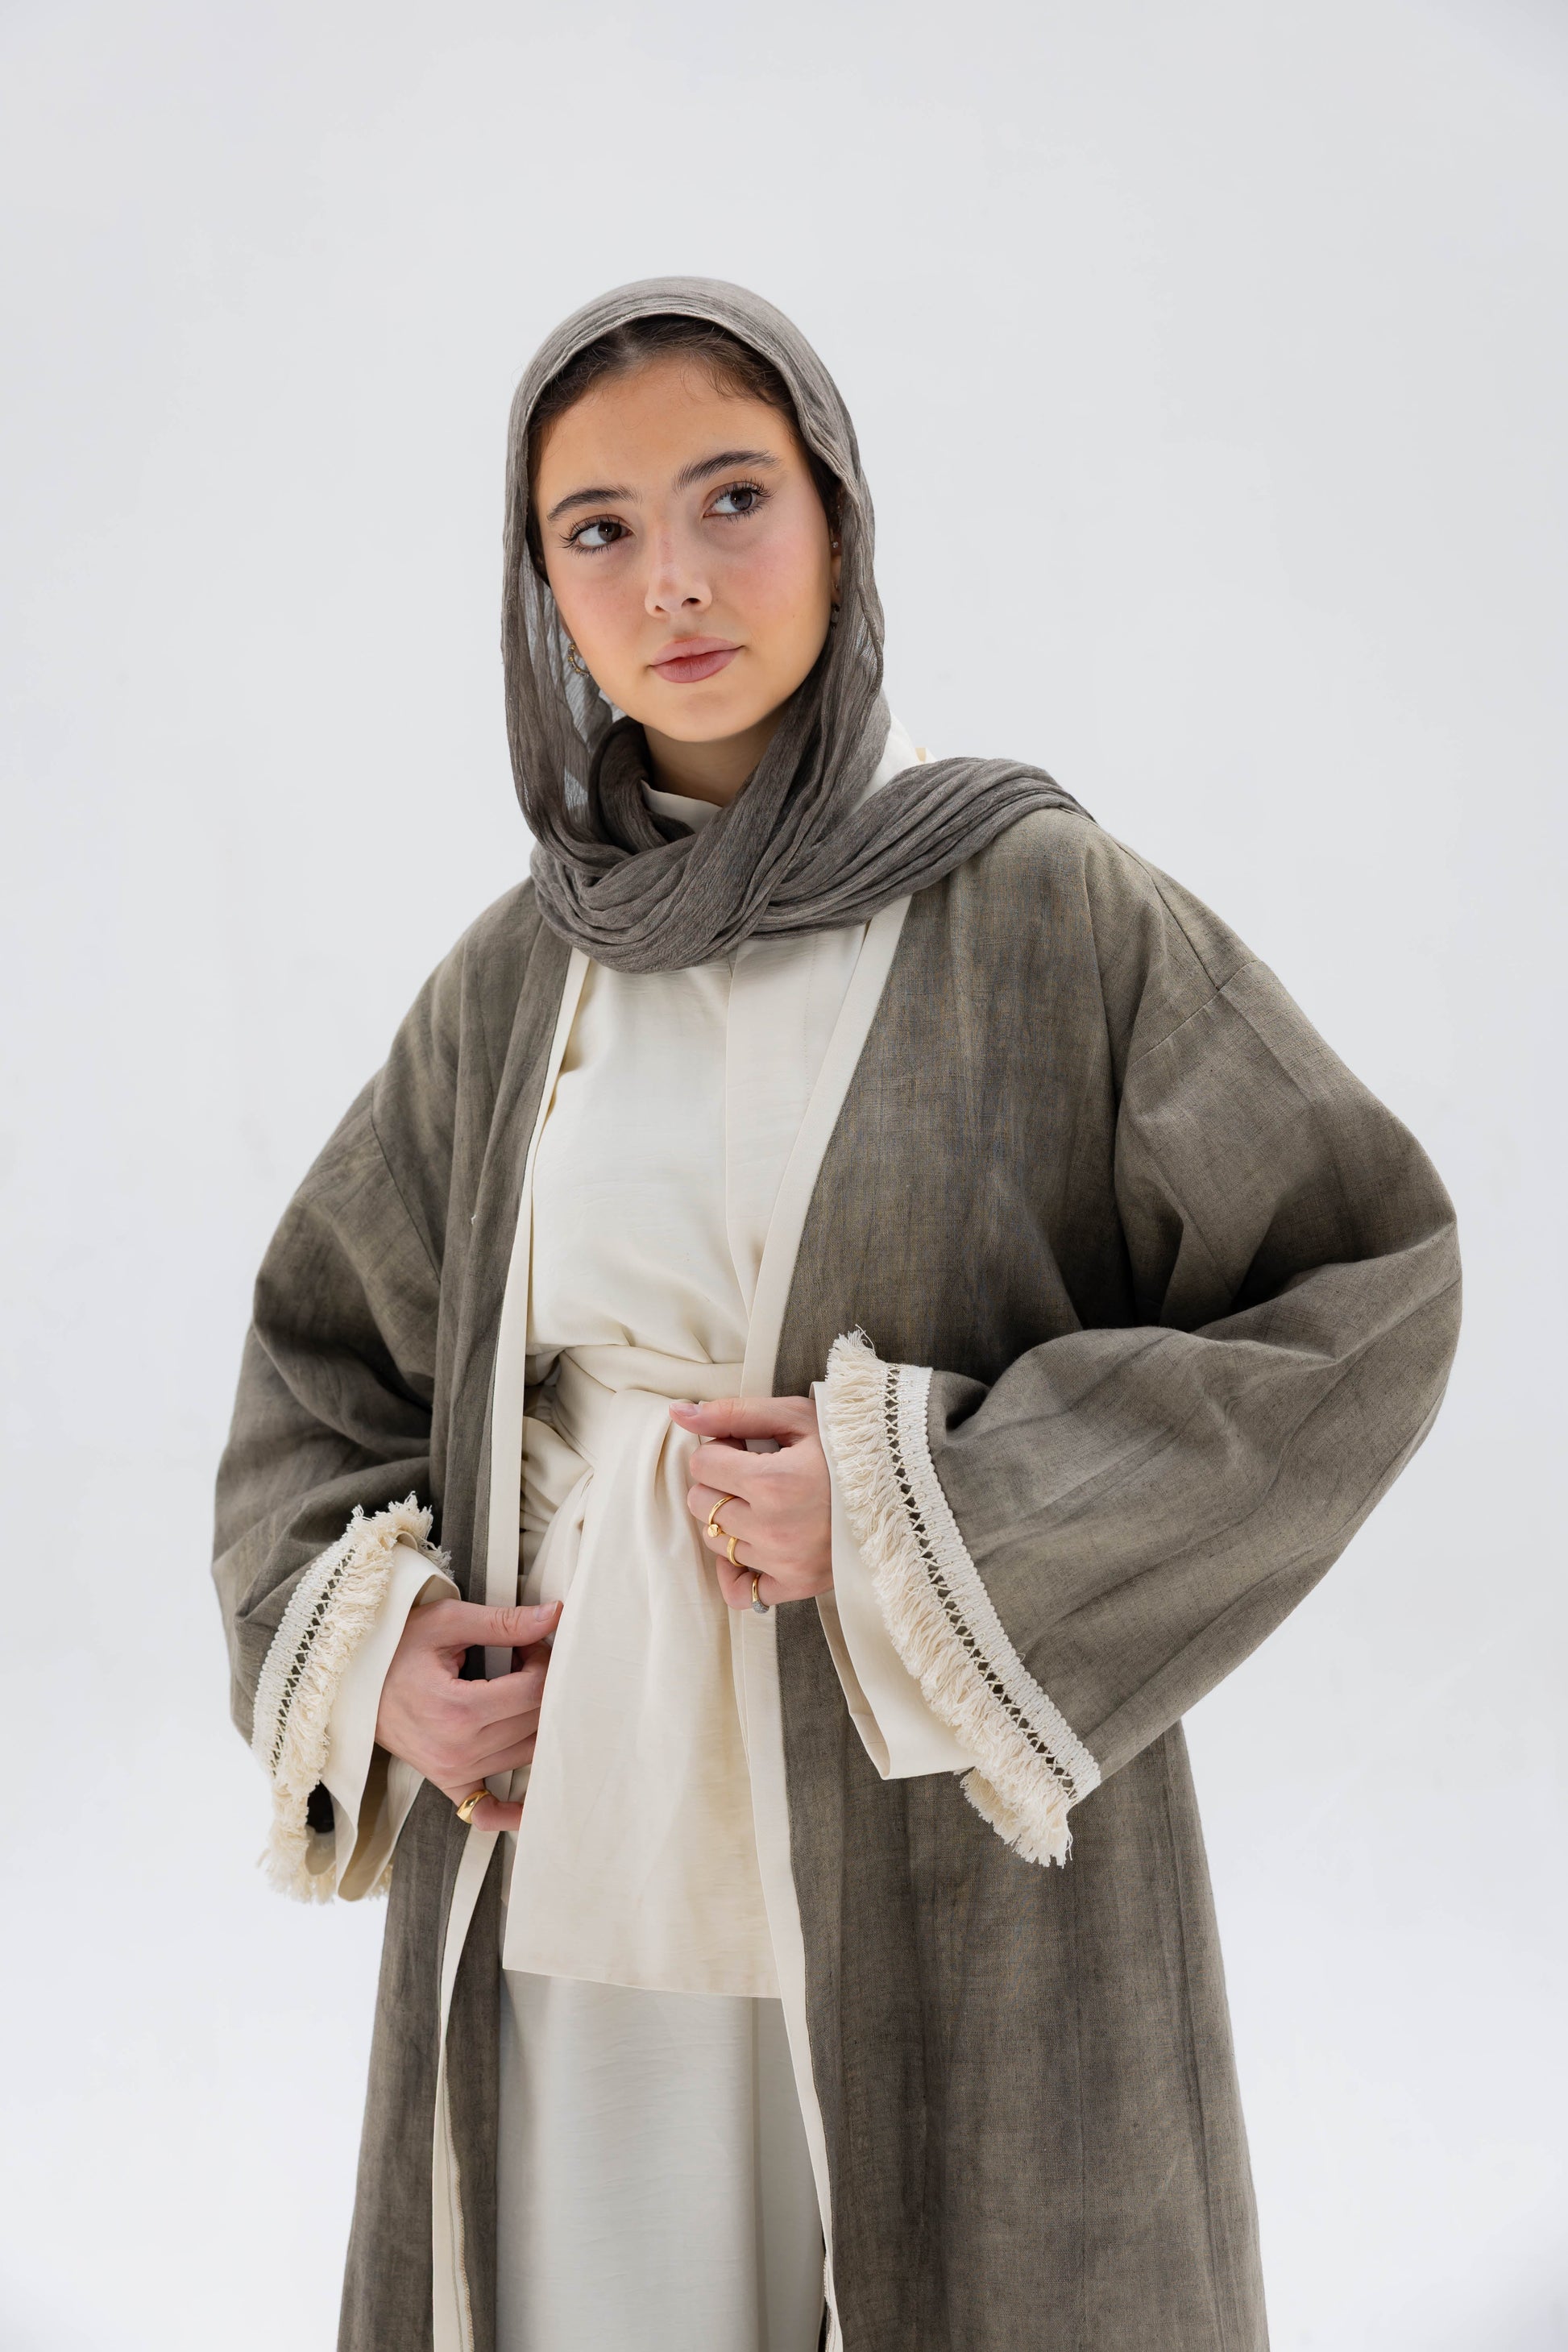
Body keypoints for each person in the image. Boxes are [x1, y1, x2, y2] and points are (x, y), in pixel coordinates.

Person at [213, 277, 1461, 2352]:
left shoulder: (1040, 903)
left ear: (837, 516)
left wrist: (924, 1511)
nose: (673, 579)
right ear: (540, 588)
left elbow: (1361, 1282)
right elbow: (320, 1356)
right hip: (581, 1804)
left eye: (733, 496)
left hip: (927, 1811)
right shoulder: (516, 977)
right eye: (598, 528)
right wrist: (376, 1651)